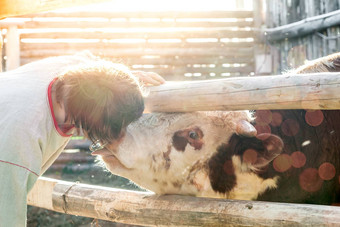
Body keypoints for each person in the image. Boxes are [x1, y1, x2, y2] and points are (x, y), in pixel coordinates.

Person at [0, 51, 165, 226]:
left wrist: (126, 83)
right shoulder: (20, 143)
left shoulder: (74, 73)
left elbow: (98, 74)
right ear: (98, 120)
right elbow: (7, 216)